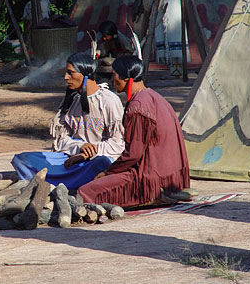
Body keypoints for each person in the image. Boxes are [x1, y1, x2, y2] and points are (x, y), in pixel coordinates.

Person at [78, 55, 190, 206]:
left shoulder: (137, 107)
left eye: (114, 75)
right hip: (170, 176)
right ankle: (163, 192)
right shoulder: (155, 96)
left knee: (85, 192)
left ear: (126, 78)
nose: (112, 80)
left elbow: (133, 154)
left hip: (150, 177)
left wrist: (108, 173)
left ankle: (152, 194)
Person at [11, 52, 125, 190]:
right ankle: (64, 186)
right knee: (21, 160)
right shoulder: (73, 100)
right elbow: (60, 140)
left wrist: (87, 153)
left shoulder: (108, 100)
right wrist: (79, 147)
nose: (66, 77)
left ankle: (53, 186)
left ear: (85, 74)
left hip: (96, 159)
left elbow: (118, 143)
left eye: (70, 73)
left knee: (101, 164)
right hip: (71, 159)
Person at [132, 0, 190, 69]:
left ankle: (177, 68)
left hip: (170, 4)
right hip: (160, 4)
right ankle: (171, 67)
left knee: (173, 31)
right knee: (160, 31)